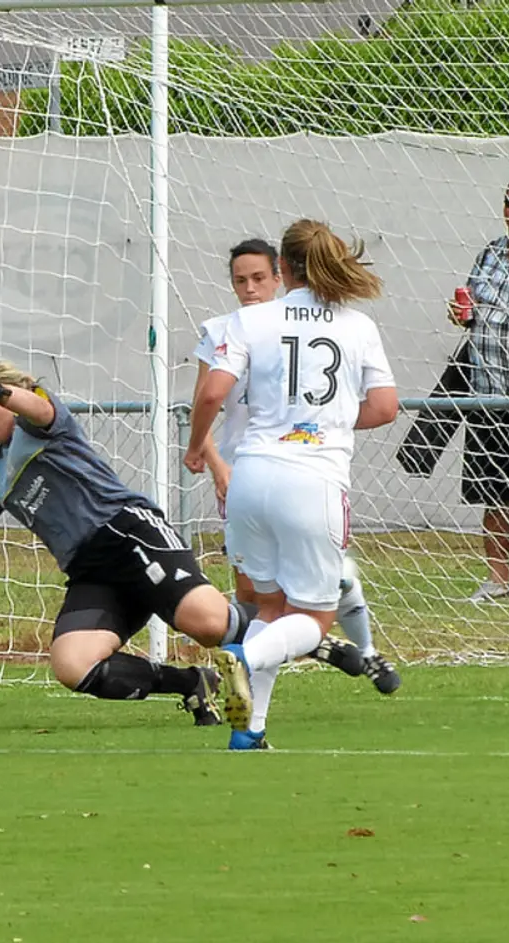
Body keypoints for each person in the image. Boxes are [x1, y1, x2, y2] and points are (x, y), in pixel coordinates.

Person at [0, 355, 247, 727]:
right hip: (90, 571)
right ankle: (194, 683)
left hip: (129, 534)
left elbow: (38, 408)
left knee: (208, 626)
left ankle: (302, 627)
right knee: (73, 665)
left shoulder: (41, 421)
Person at [187, 219, 398, 750]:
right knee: (313, 618)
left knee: (269, 609)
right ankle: (243, 657)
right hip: (313, 480)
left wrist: (195, 447)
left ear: (281, 269)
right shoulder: (357, 326)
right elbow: (385, 408)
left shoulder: (249, 320)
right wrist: (324, 422)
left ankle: (248, 732)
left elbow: (213, 392)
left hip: (250, 478)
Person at [447, 181, 509, 602]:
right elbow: (469, 310)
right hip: (487, 392)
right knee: (495, 493)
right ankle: (498, 580)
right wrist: (459, 314)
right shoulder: (490, 252)